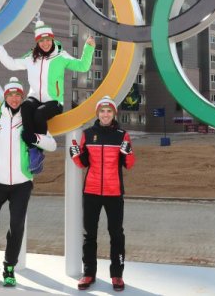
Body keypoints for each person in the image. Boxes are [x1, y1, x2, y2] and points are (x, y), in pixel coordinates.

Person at [0, 77, 57, 286]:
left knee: (16, 226)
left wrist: (35, 139)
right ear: (5, 97)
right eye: (10, 95)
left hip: (21, 183)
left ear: (22, 97)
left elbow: (52, 144)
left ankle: (9, 268)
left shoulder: (30, 119)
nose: (14, 98)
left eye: (18, 95)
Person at [0, 19, 95, 147]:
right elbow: (11, 64)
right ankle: (29, 144)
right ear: (37, 42)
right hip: (35, 98)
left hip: (53, 101)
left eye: (48, 40)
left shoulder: (61, 56)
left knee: (39, 113)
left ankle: (40, 148)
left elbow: (83, 66)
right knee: (26, 107)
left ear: (52, 39)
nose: (45, 43)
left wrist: (88, 47)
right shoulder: (31, 58)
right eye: (41, 40)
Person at [70, 96, 135, 292]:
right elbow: (83, 163)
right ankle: (88, 273)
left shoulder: (122, 135)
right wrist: (75, 154)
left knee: (116, 234)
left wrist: (128, 152)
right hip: (91, 191)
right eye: (102, 111)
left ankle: (117, 275)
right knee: (89, 234)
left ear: (114, 114)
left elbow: (129, 165)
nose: (105, 115)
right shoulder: (88, 134)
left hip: (114, 192)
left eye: (109, 111)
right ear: (97, 113)